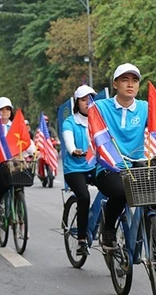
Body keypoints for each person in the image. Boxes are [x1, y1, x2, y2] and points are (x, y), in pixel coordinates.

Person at [93, 63, 156, 275]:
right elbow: (95, 134)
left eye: (134, 80)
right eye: (124, 80)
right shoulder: (100, 107)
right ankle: (109, 229)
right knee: (121, 192)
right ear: (115, 83)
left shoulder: (146, 107)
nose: (130, 85)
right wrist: (110, 158)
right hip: (109, 166)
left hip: (138, 165)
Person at [62, 85, 97, 255]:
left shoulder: (97, 120)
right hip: (75, 168)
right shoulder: (70, 122)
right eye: (84, 99)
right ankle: (82, 240)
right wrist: (73, 150)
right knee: (84, 197)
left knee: (116, 188)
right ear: (77, 102)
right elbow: (68, 139)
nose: (87, 102)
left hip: (94, 165)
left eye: (90, 99)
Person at [0, 97, 36, 216]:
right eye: (1, 109)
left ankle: (20, 219)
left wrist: (33, 152)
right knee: (6, 180)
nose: (5, 112)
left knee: (21, 178)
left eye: (7, 109)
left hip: (15, 163)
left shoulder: (16, 126)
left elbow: (26, 142)